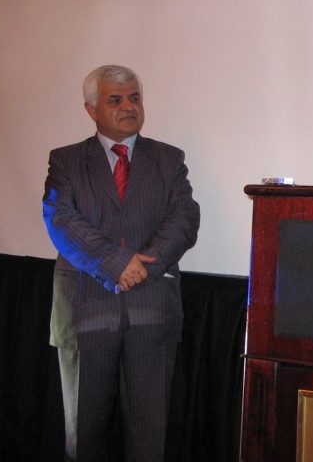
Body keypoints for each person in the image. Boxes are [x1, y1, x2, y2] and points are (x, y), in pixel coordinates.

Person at [42, 65, 200, 462]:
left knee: (149, 433)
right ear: (91, 109)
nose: (128, 106)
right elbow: (60, 219)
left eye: (134, 98)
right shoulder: (66, 160)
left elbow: (184, 219)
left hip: (152, 307)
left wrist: (143, 268)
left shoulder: (169, 158)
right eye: (115, 99)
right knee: (85, 433)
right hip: (85, 310)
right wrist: (116, 263)